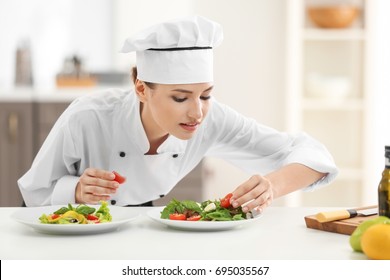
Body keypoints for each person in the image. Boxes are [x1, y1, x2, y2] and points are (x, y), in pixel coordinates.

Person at [18, 15, 338, 214]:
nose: (197, 112)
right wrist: (74, 190)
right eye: (180, 97)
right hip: (71, 223)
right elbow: (33, 193)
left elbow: (312, 154)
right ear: (142, 89)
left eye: (206, 94)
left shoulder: (212, 119)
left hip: (139, 218)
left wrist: (272, 185)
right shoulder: (87, 117)